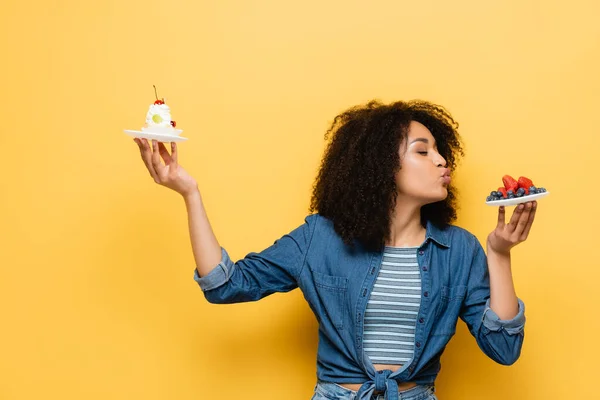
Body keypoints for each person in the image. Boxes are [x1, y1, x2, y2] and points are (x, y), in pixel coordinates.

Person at [133, 99, 536, 400]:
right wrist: (190, 192)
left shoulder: (459, 249)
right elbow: (225, 285)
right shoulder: (319, 238)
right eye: (423, 150)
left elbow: (503, 348)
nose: (442, 160)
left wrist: (499, 253)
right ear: (380, 165)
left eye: (439, 150)